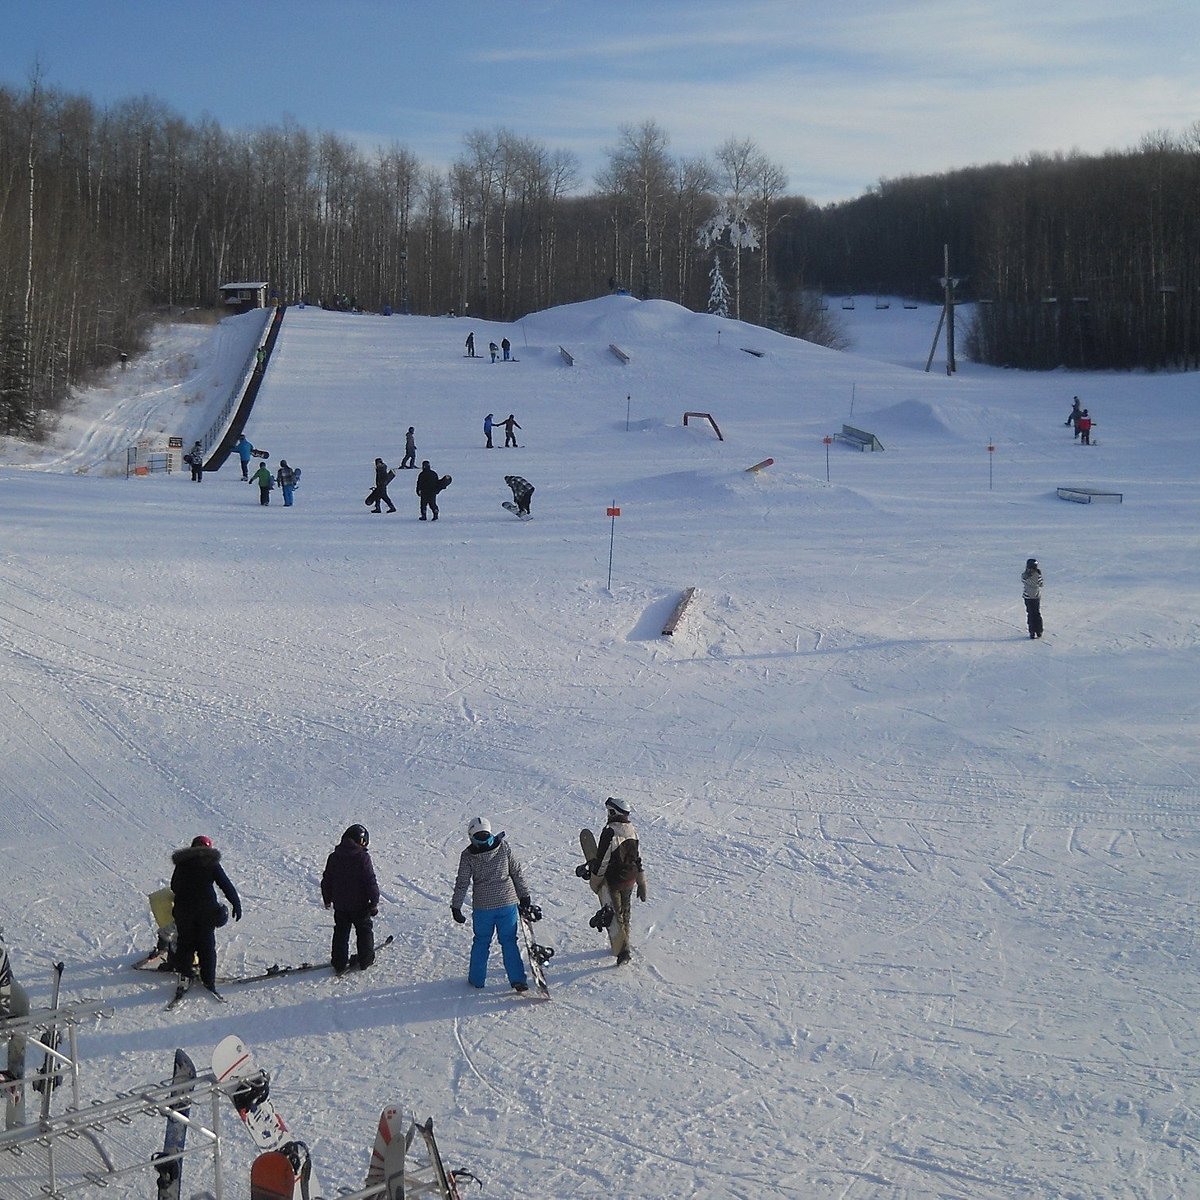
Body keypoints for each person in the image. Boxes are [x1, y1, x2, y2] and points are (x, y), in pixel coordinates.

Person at [451, 816, 533, 992]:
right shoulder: (503, 847)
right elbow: (516, 872)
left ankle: (476, 980)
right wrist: (524, 895)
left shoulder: (467, 856)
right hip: (507, 903)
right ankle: (518, 980)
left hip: (483, 908)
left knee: (481, 942)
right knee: (509, 941)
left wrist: (456, 906)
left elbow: (462, 882)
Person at [169, 835, 242, 999]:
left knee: (185, 944)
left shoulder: (182, 863)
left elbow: (174, 886)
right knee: (206, 945)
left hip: (184, 910)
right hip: (206, 911)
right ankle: (208, 980)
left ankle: (184, 978)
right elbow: (225, 884)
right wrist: (235, 903)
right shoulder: (211, 862)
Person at [584, 797, 647, 965]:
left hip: (614, 880)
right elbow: (637, 858)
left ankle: (623, 951)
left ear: (613, 812)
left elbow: (603, 860)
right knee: (625, 912)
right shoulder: (633, 830)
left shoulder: (609, 832)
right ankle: (625, 942)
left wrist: (595, 881)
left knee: (615, 916)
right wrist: (641, 881)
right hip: (630, 878)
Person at [321, 824, 379, 975]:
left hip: (340, 905)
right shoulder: (362, 858)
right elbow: (370, 880)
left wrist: (327, 899)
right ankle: (366, 959)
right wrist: (374, 902)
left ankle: (339, 963)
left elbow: (327, 880)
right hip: (360, 905)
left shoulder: (334, 857)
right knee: (364, 930)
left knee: (341, 932)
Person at [1022, 558, 1044, 640]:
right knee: (1037, 613)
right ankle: (1039, 631)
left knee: (1030, 613)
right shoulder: (1037, 575)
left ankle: (1032, 632)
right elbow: (1041, 584)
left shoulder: (1024, 575)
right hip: (1036, 597)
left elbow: (1023, 580)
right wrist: (1039, 575)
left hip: (1027, 597)